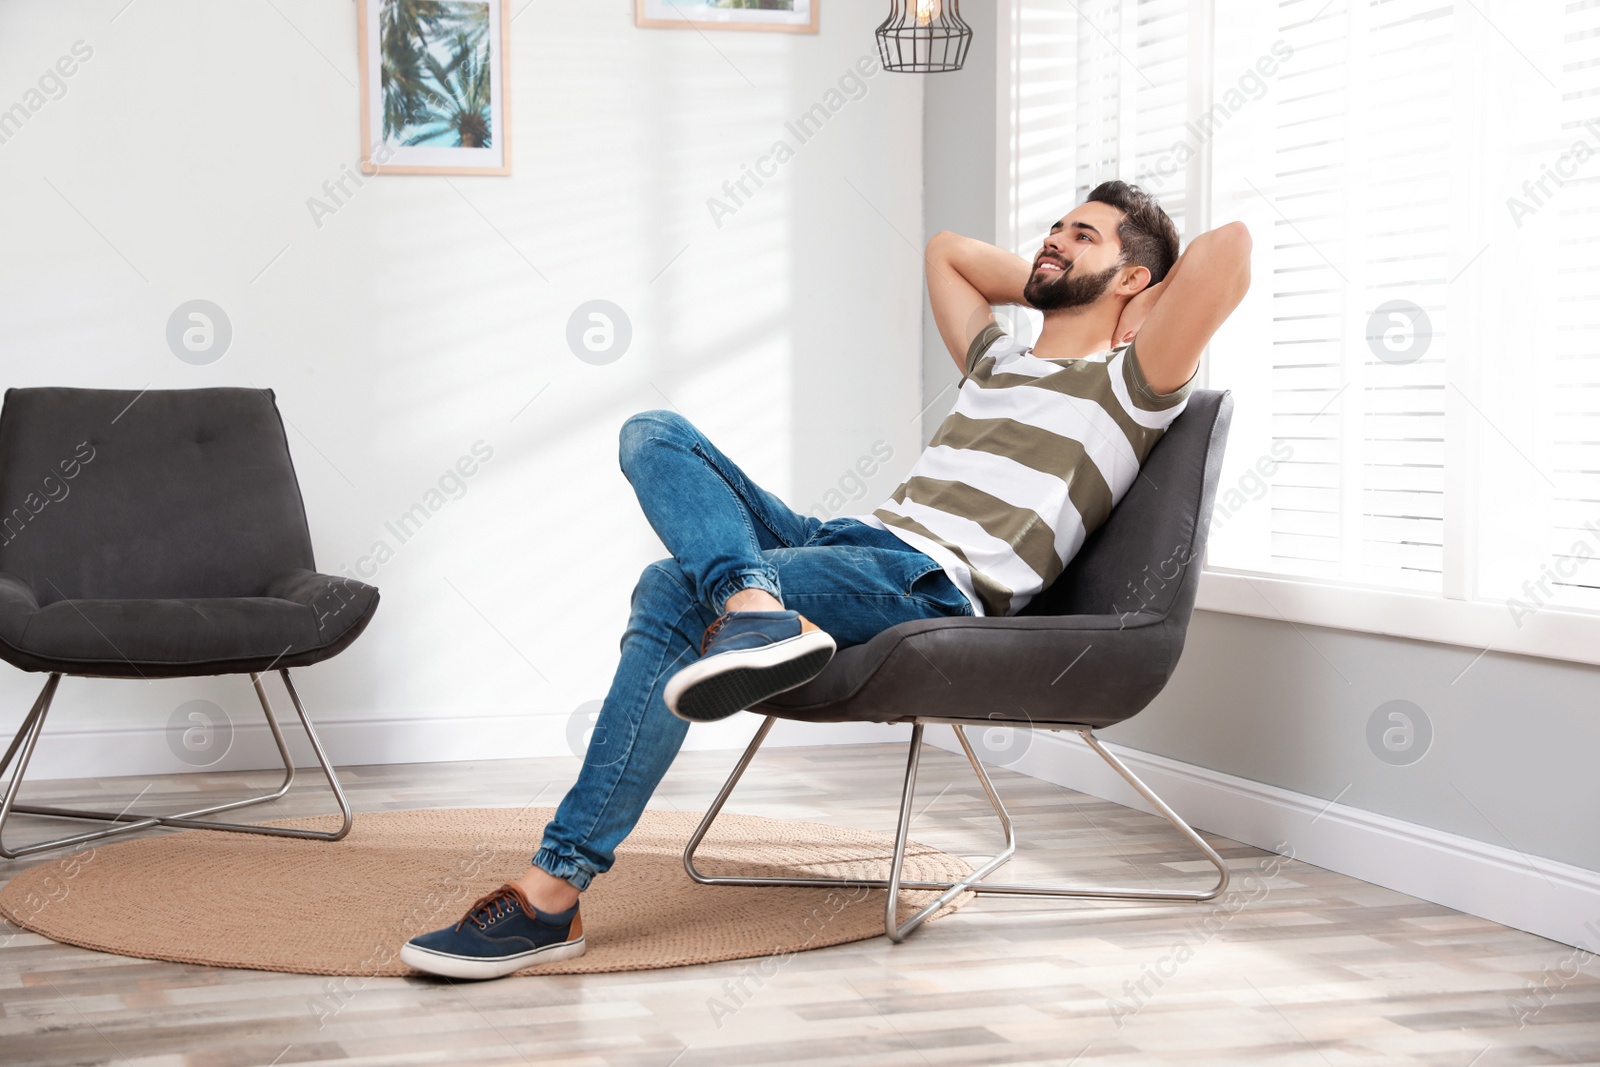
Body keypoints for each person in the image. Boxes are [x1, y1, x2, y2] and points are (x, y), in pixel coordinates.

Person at [399, 181, 1252, 979]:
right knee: (653, 430)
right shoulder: (997, 363)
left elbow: (1230, 250)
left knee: (668, 586)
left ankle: (553, 894)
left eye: (1083, 234)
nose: (1055, 239)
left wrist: (1116, 303)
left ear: (1135, 280)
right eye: (1056, 228)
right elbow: (946, 250)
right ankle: (754, 606)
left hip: (927, 580)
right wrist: (1057, 279)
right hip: (849, 538)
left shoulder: (1130, 385)